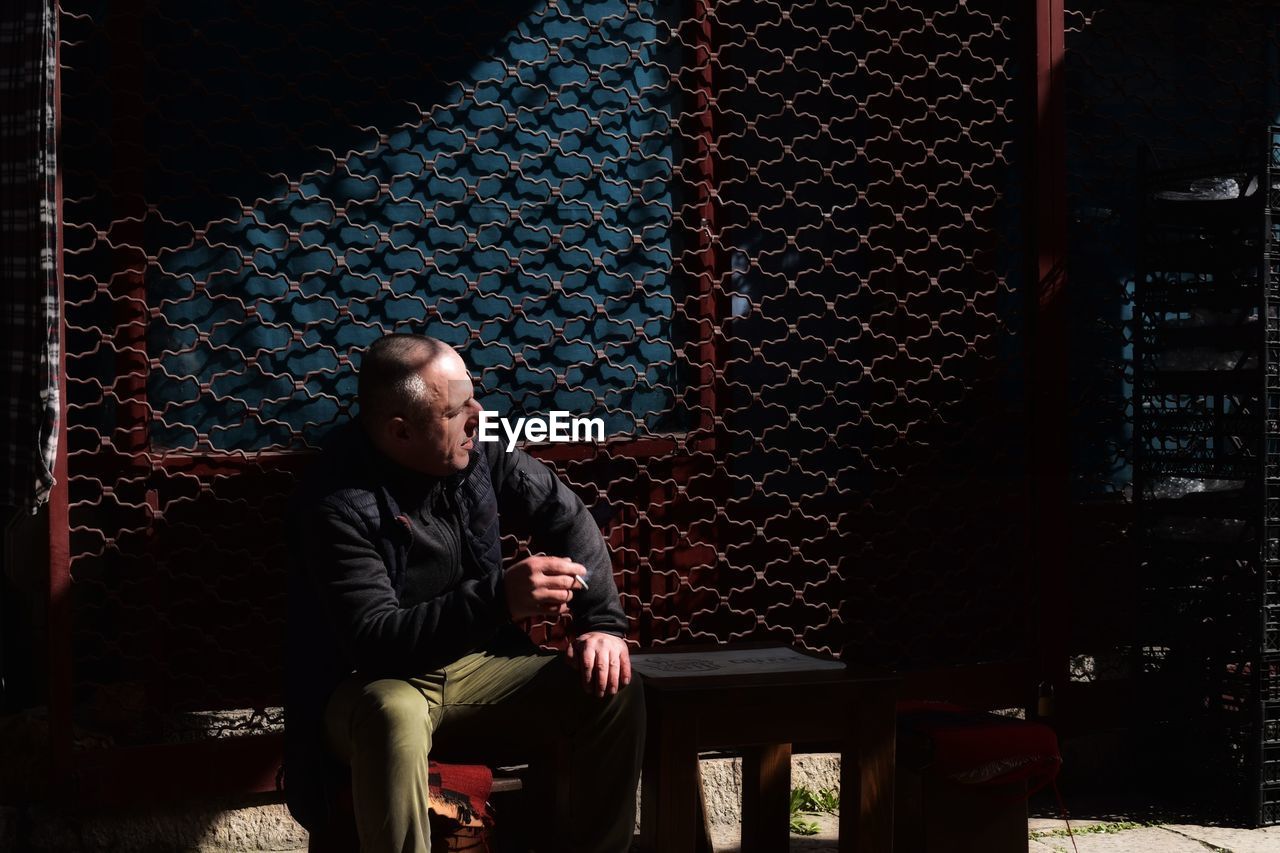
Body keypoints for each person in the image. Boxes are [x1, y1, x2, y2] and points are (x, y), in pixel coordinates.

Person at [283, 333, 645, 853]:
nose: (478, 414)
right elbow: (374, 640)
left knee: (612, 686)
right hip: (375, 684)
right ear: (401, 431)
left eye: (474, 397)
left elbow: (567, 517)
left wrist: (602, 626)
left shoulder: (478, 452)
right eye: (457, 409)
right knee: (394, 716)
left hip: (481, 667)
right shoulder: (337, 502)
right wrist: (500, 598)